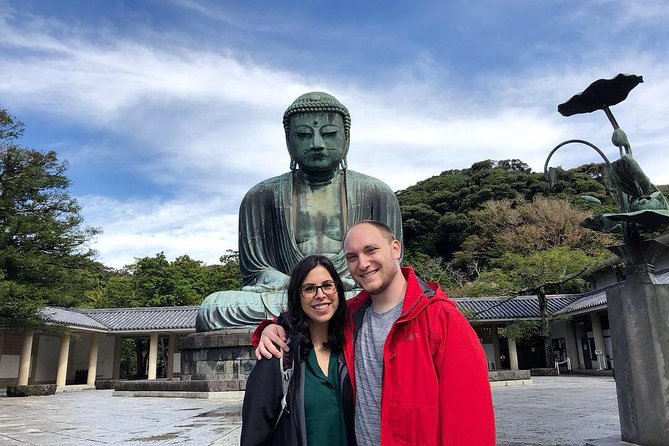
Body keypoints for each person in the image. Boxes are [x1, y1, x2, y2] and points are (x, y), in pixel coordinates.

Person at [255, 220, 496, 445]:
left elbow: (470, 418)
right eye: (352, 257)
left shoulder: (441, 319)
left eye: (371, 250)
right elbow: (307, 317)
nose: (363, 264)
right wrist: (270, 328)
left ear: (395, 248)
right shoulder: (351, 317)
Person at [196, 92, 402, 330]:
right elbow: (256, 272)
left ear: (346, 138)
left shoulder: (376, 192)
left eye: (329, 134)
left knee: (390, 299)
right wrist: (299, 286)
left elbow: (389, 266)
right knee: (214, 308)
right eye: (304, 135)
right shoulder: (261, 196)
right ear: (288, 140)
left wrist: (340, 286)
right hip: (288, 295)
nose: (317, 144)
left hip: (353, 293)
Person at [241, 255, 355, 446]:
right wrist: (271, 326)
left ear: (338, 288)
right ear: (296, 295)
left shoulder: (352, 347)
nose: (320, 294)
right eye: (309, 289)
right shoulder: (278, 355)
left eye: (328, 285)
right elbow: (254, 434)